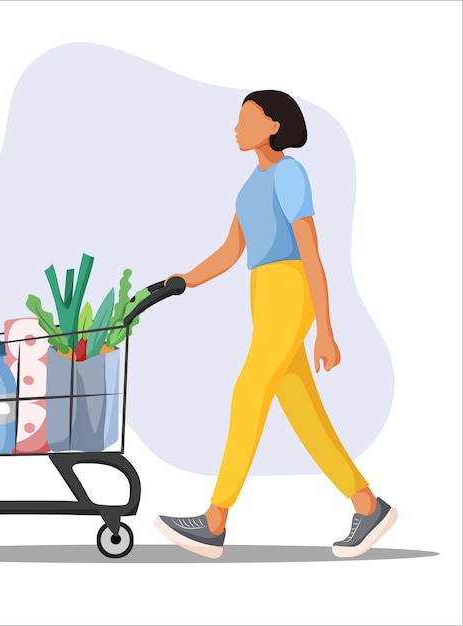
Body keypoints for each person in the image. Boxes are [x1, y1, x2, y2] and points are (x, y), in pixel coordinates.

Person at [155, 90, 397, 559]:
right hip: (262, 297)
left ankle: (215, 519)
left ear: (273, 126)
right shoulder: (248, 188)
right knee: (305, 414)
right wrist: (184, 279)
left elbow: (310, 250)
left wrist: (324, 326)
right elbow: (230, 253)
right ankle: (368, 505)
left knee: (248, 391)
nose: (237, 127)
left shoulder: (290, 174)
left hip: (291, 292)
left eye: (247, 118)